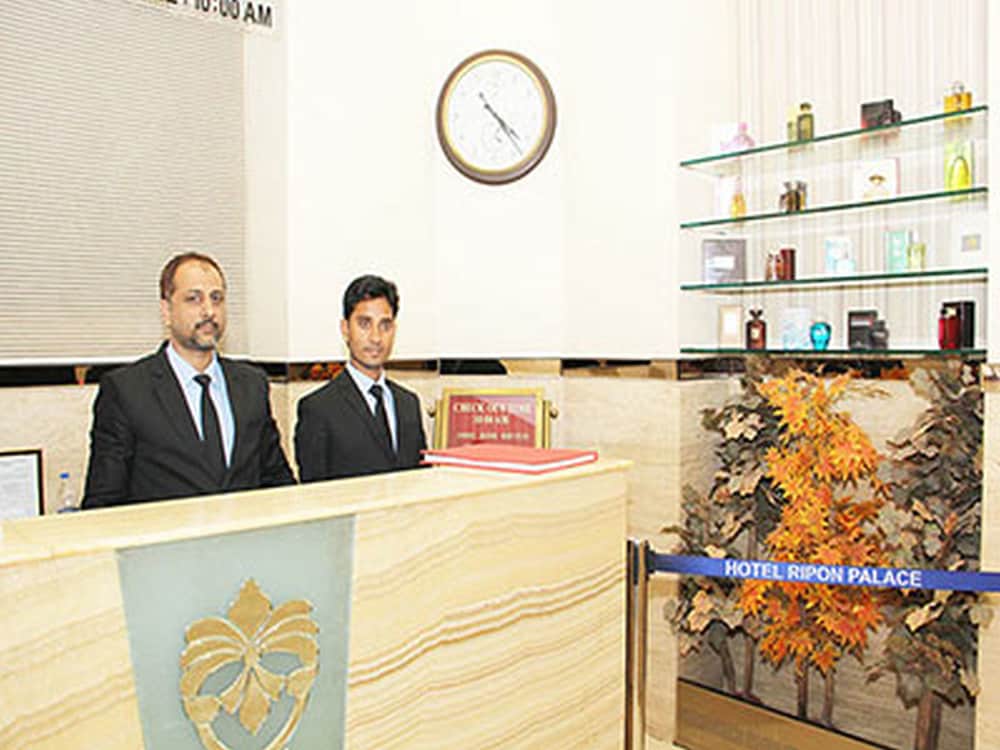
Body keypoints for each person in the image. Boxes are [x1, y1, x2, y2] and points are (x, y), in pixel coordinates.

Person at [82, 252, 294, 508]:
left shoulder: (252, 385)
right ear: (166, 311)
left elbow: (278, 482)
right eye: (194, 299)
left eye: (217, 298)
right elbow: (103, 502)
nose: (209, 311)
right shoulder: (127, 390)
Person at [295, 274, 427, 481]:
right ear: (345, 329)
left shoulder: (408, 403)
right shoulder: (319, 409)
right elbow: (315, 492)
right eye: (365, 324)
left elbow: (420, 480)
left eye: (385, 325)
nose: (376, 337)